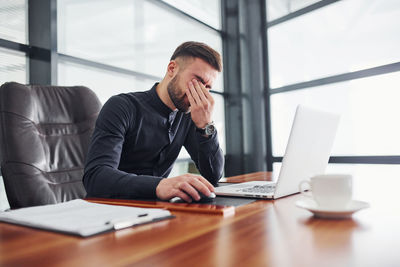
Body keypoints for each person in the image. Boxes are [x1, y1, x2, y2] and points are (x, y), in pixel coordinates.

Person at [83, 41, 224, 203]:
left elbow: (213, 175)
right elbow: (96, 177)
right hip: (111, 208)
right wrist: (159, 185)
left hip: (158, 211)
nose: (201, 93)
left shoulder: (189, 114)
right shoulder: (122, 107)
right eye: (198, 81)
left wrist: (206, 126)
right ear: (172, 69)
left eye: (207, 88)